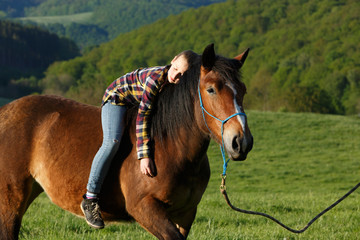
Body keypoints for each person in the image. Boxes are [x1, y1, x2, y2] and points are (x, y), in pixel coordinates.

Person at [80, 50, 198, 229]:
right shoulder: (155, 80)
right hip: (118, 99)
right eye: (175, 69)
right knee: (112, 142)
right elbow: (144, 116)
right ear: (172, 60)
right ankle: (90, 198)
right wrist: (144, 156)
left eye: (182, 75)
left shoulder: (176, 83)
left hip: (138, 100)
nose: (176, 76)